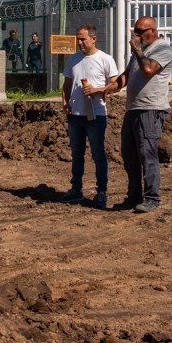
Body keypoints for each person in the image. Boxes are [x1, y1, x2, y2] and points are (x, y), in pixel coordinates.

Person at [114, 16, 172, 213]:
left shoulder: (162, 48)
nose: (136, 35)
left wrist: (138, 49)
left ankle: (152, 198)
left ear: (152, 31)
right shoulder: (139, 52)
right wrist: (109, 87)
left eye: (140, 31)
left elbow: (148, 69)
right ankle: (134, 196)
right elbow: (128, 74)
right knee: (129, 155)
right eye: (135, 31)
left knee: (147, 153)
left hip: (150, 108)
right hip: (133, 109)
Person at [59, 24, 119, 209]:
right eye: (78, 38)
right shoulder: (73, 60)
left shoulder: (105, 59)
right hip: (75, 115)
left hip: (96, 114)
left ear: (93, 39)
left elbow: (115, 84)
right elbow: (67, 84)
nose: (79, 42)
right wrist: (65, 102)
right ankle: (76, 189)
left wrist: (97, 90)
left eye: (83, 39)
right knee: (77, 154)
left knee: (98, 154)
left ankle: (102, 191)